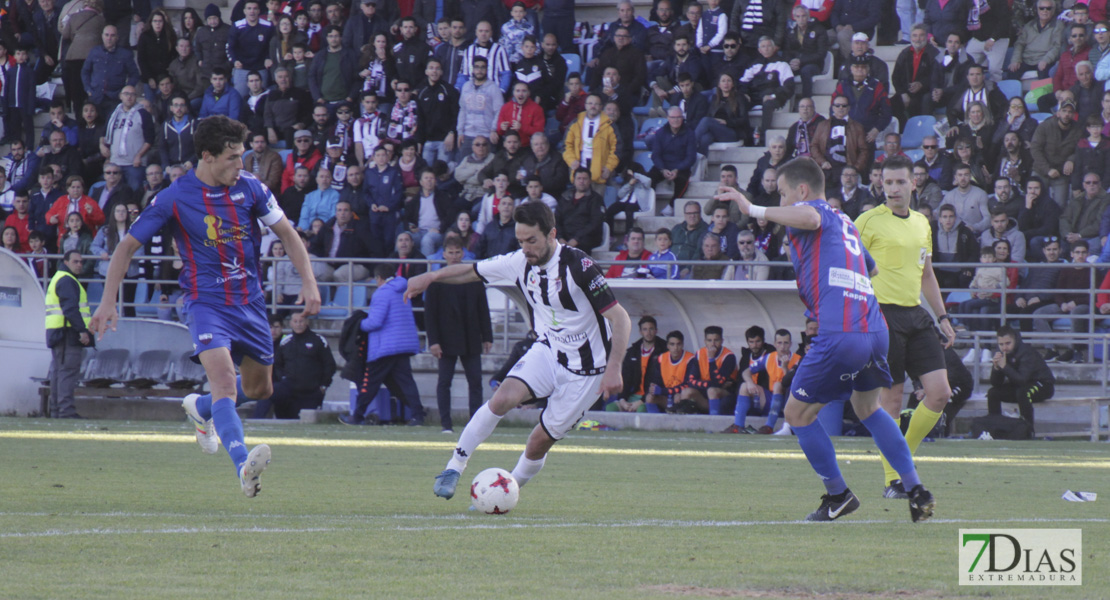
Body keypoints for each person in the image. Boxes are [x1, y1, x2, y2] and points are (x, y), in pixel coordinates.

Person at [90, 115, 322, 498]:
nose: (240, 165)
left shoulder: (251, 189)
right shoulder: (175, 197)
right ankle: (243, 467)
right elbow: (126, 246)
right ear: (208, 156)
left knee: (260, 389)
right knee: (226, 384)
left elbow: (287, 234)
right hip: (205, 304)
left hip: (249, 304)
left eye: (242, 156)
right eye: (233, 158)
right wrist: (108, 300)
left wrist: (310, 283)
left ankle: (201, 407)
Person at [715, 156, 935, 522]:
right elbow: (872, 267)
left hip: (842, 333)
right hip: (874, 329)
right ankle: (915, 488)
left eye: (783, 195)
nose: (781, 203)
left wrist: (753, 207)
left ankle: (838, 495)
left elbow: (810, 216)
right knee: (869, 409)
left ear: (802, 191)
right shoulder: (844, 222)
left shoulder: (815, 213)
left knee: (795, 414)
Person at [406, 201, 632, 499]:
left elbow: (621, 318)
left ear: (552, 235)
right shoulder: (519, 262)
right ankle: (454, 466)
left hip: (588, 372)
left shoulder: (580, 267)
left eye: (532, 241)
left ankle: (505, 491)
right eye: (521, 241)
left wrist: (614, 367)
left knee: (537, 442)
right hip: (550, 351)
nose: (525, 248)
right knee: (503, 398)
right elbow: (471, 271)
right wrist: (432, 276)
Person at [853, 155, 955, 501]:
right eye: (887, 181)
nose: (892, 188)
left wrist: (942, 317)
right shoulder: (867, 221)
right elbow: (848, 265)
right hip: (881, 315)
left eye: (899, 181)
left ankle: (902, 457)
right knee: (892, 400)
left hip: (916, 315)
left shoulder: (922, 223)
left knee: (940, 393)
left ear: (914, 183)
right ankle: (892, 478)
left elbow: (926, 274)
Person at [341, 263, 426, 425]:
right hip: (402, 344)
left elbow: (375, 322)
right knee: (407, 382)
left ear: (378, 278)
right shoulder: (402, 289)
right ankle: (418, 414)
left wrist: (358, 324)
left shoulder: (382, 293)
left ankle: (357, 415)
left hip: (385, 346)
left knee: (369, 382)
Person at [425, 237, 493, 432]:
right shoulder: (436, 279)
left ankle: (475, 425)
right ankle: (446, 424)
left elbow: (483, 308)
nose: (454, 256)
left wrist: (487, 336)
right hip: (445, 339)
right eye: (450, 252)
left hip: (471, 337)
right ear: (444, 254)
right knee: (444, 382)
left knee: (476, 381)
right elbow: (430, 314)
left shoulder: (472, 277)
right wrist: (434, 341)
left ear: (463, 253)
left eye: (457, 252)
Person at [45, 250, 95, 418]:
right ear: (66, 262)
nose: (79, 265)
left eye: (81, 262)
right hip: (68, 333)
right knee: (67, 372)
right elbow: (71, 309)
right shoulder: (68, 281)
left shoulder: (59, 278)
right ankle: (66, 410)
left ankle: (56, 410)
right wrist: (82, 330)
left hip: (58, 331)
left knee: (59, 372)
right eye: (76, 262)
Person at [266, 312, 336, 418]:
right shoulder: (285, 341)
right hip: (289, 389)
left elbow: (330, 365)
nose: (298, 324)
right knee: (268, 393)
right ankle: (256, 420)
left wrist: (323, 385)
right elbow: (278, 364)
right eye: (295, 321)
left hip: (311, 391)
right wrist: (283, 379)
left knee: (306, 421)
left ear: (307, 322)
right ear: (290, 323)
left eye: (301, 321)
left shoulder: (318, 340)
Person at [987, 326, 1055, 431]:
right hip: (1020, 385)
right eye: (1001, 344)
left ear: (1015, 340)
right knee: (993, 393)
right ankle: (995, 429)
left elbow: (1022, 379)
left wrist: (1004, 367)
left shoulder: (1026, 352)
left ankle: (1027, 431)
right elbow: (996, 384)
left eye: (1008, 343)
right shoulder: (1002, 353)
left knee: (1023, 393)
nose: (1004, 347)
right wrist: (996, 368)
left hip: (1042, 384)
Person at [610, 316, 667, 412]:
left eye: (651, 329)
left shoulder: (664, 351)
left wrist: (642, 401)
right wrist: (622, 399)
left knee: (641, 410)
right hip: (633, 395)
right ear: (640, 332)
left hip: (652, 397)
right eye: (645, 329)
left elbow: (660, 380)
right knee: (611, 408)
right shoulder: (633, 352)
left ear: (656, 330)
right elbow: (625, 377)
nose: (648, 333)